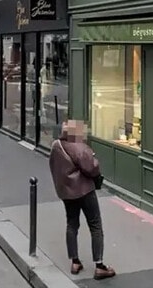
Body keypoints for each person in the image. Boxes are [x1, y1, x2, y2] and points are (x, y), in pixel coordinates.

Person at [49, 120, 114, 280]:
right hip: (84, 191)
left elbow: (53, 167)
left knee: (72, 224)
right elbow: (92, 169)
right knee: (95, 225)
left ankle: (75, 262)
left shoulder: (56, 146)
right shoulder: (80, 148)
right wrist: (94, 160)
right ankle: (99, 266)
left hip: (66, 192)